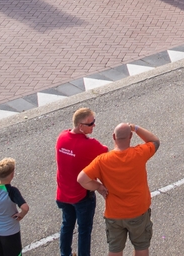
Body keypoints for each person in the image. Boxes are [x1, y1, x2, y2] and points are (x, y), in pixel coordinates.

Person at [77, 123, 160, 256]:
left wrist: (98, 186)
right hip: (138, 212)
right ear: (130, 136)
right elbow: (155, 141)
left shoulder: (102, 160)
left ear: (113, 137)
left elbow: (82, 179)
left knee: (115, 249)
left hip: (114, 214)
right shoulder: (139, 153)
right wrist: (135, 128)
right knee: (141, 246)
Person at [56, 107, 106, 256]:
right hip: (82, 196)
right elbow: (106, 153)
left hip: (63, 194)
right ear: (80, 126)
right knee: (84, 230)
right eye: (90, 124)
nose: (93, 125)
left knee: (67, 225)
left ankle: (65, 253)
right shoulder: (90, 144)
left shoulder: (62, 136)